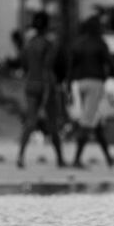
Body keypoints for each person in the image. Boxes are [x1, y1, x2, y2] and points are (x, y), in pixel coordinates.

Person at [68, 15, 114, 168]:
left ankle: (109, 159)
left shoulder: (79, 44)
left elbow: (72, 65)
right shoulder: (99, 44)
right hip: (95, 83)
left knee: (95, 121)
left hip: (80, 83)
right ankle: (77, 159)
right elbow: (110, 62)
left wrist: (68, 83)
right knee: (87, 121)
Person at [16, 13, 66, 168]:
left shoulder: (28, 44)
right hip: (46, 85)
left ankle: (20, 157)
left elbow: (24, 65)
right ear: (46, 26)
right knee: (53, 124)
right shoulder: (49, 44)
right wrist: (48, 89)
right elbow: (48, 67)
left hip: (30, 83)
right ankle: (60, 159)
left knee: (30, 122)